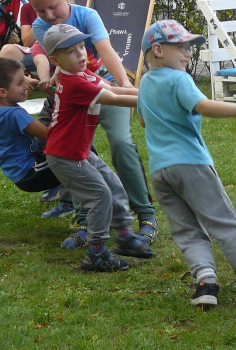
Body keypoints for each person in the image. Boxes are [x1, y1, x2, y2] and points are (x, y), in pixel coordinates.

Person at [137, 19, 236, 310]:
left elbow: (144, 121)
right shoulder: (179, 79)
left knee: (186, 230)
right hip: (191, 164)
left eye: (189, 48)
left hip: (160, 171)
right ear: (157, 50)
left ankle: (206, 282)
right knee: (223, 223)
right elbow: (204, 106)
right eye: (181, 47)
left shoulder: (144, 83)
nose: (188, 53)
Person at [25, 0, 158, 241]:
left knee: (121, 144)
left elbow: (106, 50)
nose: (49, 16)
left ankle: (145, 214)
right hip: (75, 92)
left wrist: (125, 85)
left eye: (53, 7)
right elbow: (57, 61)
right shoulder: (39, 26)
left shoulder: (87, 15)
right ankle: (86, 218)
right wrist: (48, 77)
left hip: (103, 83)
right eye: (41, 11)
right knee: (74, 149)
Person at [42, 24, 154, 272]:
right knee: (100, 195)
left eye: (82, 47)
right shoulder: (74, 83)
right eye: (71, 51)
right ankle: (97, 252)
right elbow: (114, 99)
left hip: (78, 152)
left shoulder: (83, 75)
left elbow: (112, 88)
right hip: (65, 156)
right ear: (55, 61)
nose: (81, 54)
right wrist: (154, 99)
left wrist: (151, 92)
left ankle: (124, 237)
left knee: (113, 185)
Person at [0, 57, 74, 219]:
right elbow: (51, 134)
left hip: (18, 174)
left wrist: (24, 80)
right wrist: (63, 102)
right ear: (2, 92)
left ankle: (59, 189)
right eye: (20, 83)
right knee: (78, 157)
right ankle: (72, 203)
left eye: (24, 80)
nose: (25, 86)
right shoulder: (14, 115)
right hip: (31, 174)